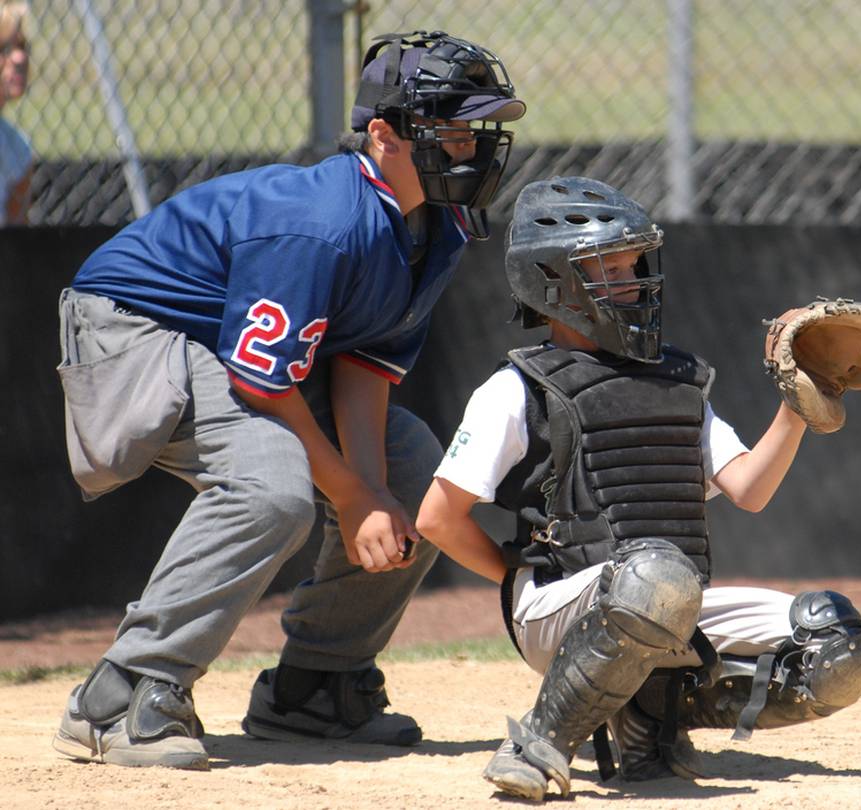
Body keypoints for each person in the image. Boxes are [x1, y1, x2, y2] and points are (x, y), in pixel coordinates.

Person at [51, 30, 525, 770]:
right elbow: (261, 383)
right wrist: (349, 496)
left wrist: (369, 491)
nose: (468, 148)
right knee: (271, 486)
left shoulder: (440, 225)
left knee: (410, 466)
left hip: (228, 350)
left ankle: (313, 690)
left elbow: (363, 369)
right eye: (449, 129)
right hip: (134, 328)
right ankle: (123, 691)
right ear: (383, 135)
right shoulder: (324, 224)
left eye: (474, 131)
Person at [414, 176, 861, 801]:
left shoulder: (676, 379)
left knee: (837, 645)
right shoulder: (516, 388)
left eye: (637, 263)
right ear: (555, 283)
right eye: (612, 267)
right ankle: (540, 741)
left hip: (666, 601)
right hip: (559, 607)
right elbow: (437, 518)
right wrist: (514, 576)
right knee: (656, 575)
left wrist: (796, 405)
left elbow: (749, 488)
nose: (636, 280)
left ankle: (654, 718)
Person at [0, 1, 30, 225]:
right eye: (4, 49)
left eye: (22, 46)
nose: (20, 58)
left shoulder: (17, 147)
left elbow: (16, 233)